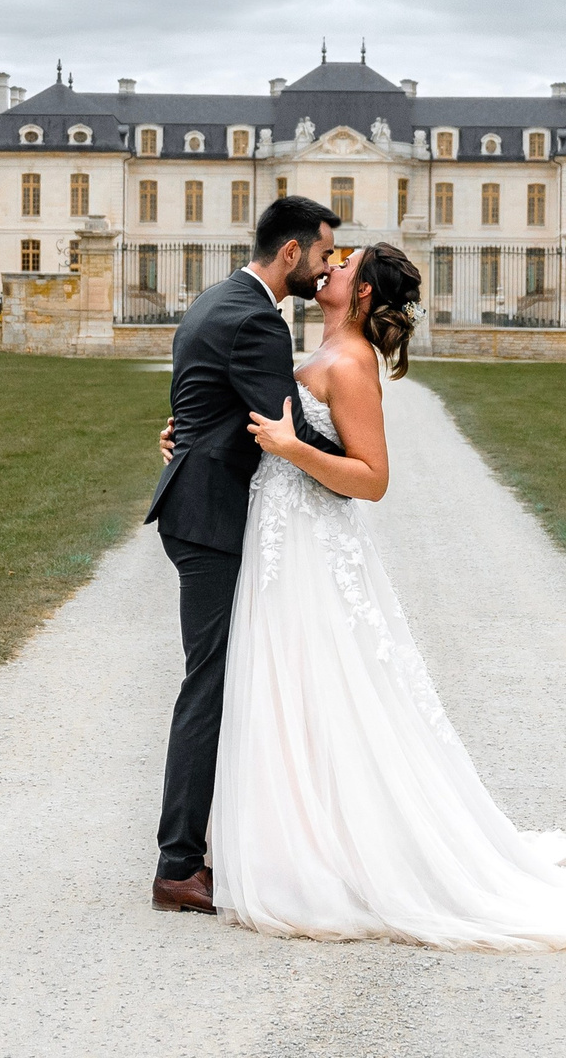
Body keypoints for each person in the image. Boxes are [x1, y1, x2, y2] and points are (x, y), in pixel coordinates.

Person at [205, 242, 566, 949]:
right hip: (282, 543)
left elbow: (372, 478)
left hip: (317, 547)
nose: (329, 270)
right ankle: (300, 837)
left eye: (344, 267)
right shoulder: (311, 353)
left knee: (331, 686)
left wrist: (292, 451)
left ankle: (333, 850)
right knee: (292, 688)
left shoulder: (349, 365)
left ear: (365, 294)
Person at [143, 196, 348, 915]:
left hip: (196, 502)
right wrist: (352, 467)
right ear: (289, 253)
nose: (328, 269)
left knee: (221, 678)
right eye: (324, 254)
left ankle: (209, 846)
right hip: (209, 516)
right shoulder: (257, 319)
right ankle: (177, 866)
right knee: (210, 683)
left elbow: (201, 406)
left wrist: (180, 435)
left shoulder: (217, 298)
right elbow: (279, 425)